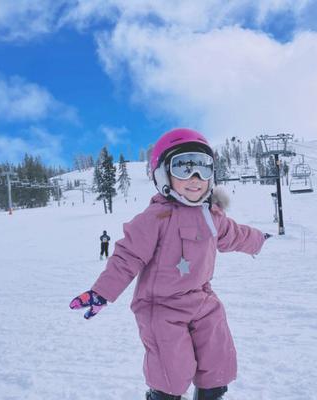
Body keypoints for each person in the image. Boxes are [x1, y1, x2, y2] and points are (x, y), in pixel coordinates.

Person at [70, 128, 270, 400]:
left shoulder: (212, 215)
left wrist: (259, 240)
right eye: (184, 167)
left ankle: (211, 394)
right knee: (172, 371)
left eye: (202, 168)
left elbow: (235, 235)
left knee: (218, 357)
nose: (195, 178)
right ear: (163, 174)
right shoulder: (155, 217)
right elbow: (127, 255)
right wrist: (102, 292)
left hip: (202, 298)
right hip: (161, 305)